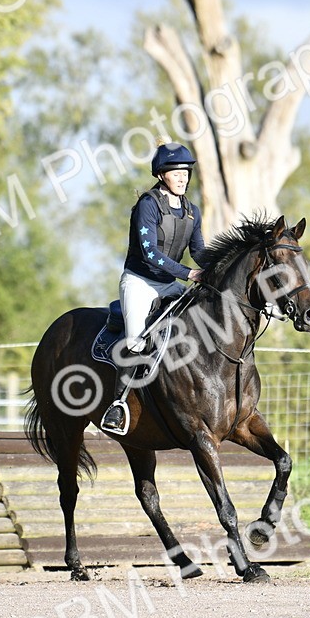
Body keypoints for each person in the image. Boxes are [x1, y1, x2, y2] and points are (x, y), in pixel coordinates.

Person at [100, 141, 205, 435]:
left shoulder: (192, 211)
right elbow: (150, 254)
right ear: (161, 175)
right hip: (140, 282)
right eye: (176, 172)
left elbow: (199, 251)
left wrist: (223, 266)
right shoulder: (147, 205)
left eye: (185, 172)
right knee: (135, 341)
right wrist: (188, 273)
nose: (182, 177)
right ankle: (117, 406)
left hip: (169, 285)